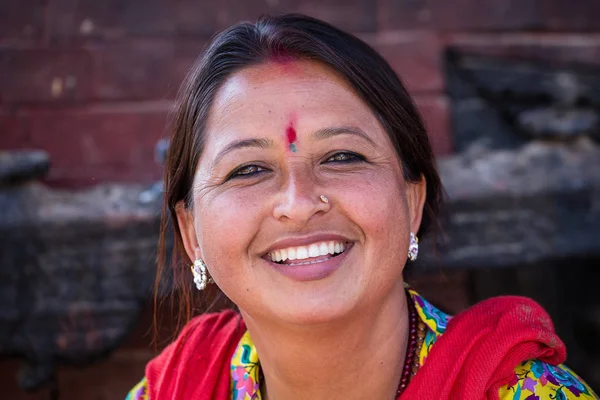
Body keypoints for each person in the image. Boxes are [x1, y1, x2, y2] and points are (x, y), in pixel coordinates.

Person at [126, 14, 597, 400]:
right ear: (190, 233)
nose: (299, 203)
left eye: (342, 157)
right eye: (248, 169)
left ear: (413, 201)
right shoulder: (174, 389)